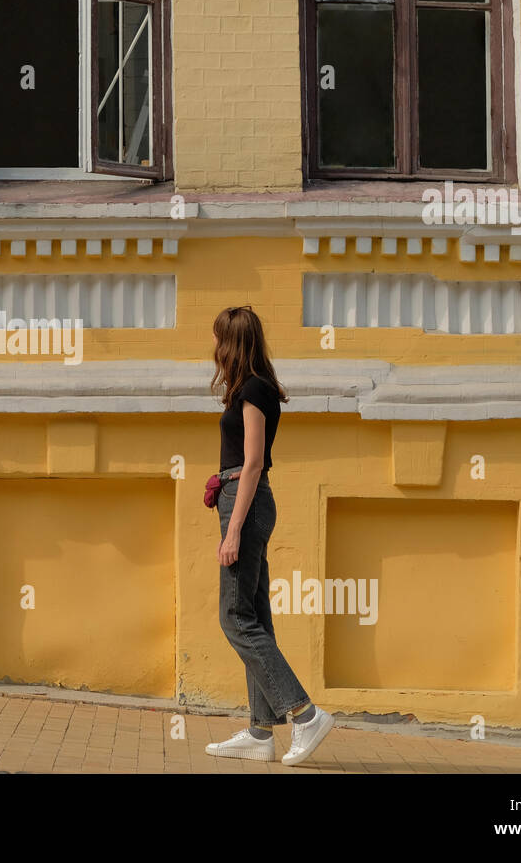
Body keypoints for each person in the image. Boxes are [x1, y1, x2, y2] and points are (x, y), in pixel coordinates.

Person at [205, 305, 334, 766]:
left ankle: (304, 714)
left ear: (235, 343)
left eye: (220, 338)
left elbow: (255, 462)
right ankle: (261, 733)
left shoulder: (254, 390)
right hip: (241, 495)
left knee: (234, 618)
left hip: (246, 499)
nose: (215, 347)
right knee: (255, 614)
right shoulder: (247, 389)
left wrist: (234, 529)